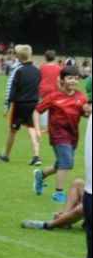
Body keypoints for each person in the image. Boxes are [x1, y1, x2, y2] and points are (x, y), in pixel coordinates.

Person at [34, 67, 89, 205]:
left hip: (73, 135)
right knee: (66, 162)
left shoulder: (81, 97)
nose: (73, 81)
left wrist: (88, 111)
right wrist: (37, 129)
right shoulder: (53, 96)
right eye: (70, 78)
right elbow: (37, 111)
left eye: (76, 78)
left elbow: (85, 114)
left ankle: (41, 174)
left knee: (61, 163)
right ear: (62, 80)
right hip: (58, 134)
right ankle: (58, 193)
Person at [0, 44, 42, 166]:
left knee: (13, 130)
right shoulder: (37, 70)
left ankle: (6, 155)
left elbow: (11, 89)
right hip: (34, 103)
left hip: (20, 104)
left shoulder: (18, 70)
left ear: (19, 57)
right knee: (31, 128)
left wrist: (7, 105)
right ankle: (36, 156)